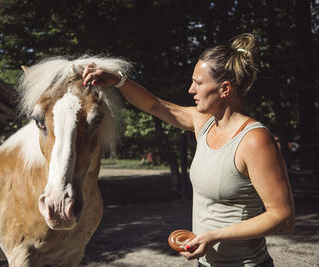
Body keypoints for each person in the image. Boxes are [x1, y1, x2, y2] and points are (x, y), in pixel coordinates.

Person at [82, 33, 294, 266]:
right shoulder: (204, 122)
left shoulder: (254, 140)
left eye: (198, 83)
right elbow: (155, 105)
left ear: (224, 89)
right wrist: (119, 81)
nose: (191, 90)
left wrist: (215, 236)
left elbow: (282, 217)